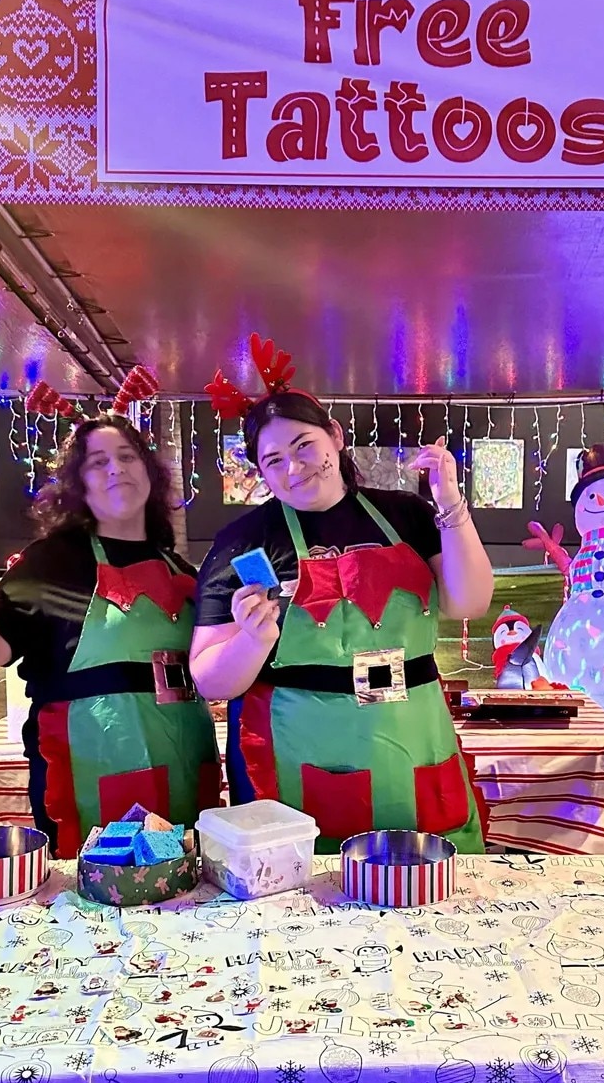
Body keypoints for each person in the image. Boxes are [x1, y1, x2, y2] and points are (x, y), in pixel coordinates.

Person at [0, 370, 219, 853]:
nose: (116, 469)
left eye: (127, 456)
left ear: (150, 472)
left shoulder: (178, 567)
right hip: (93, 769)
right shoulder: (53, 562)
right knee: (100, 886)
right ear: (78, 484)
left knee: (185, 878)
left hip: (187, 761)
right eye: (98, 462)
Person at [189, 334, 494, 856]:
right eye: (273, 460)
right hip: (297, 745)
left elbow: (468, 602)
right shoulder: (244, 541)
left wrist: (450, 503)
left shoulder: (407, 514)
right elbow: (211, 678)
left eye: (304, 445)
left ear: (334, 435)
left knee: (421, 882)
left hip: (411, 733)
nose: (294, 468)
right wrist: (252, 641)